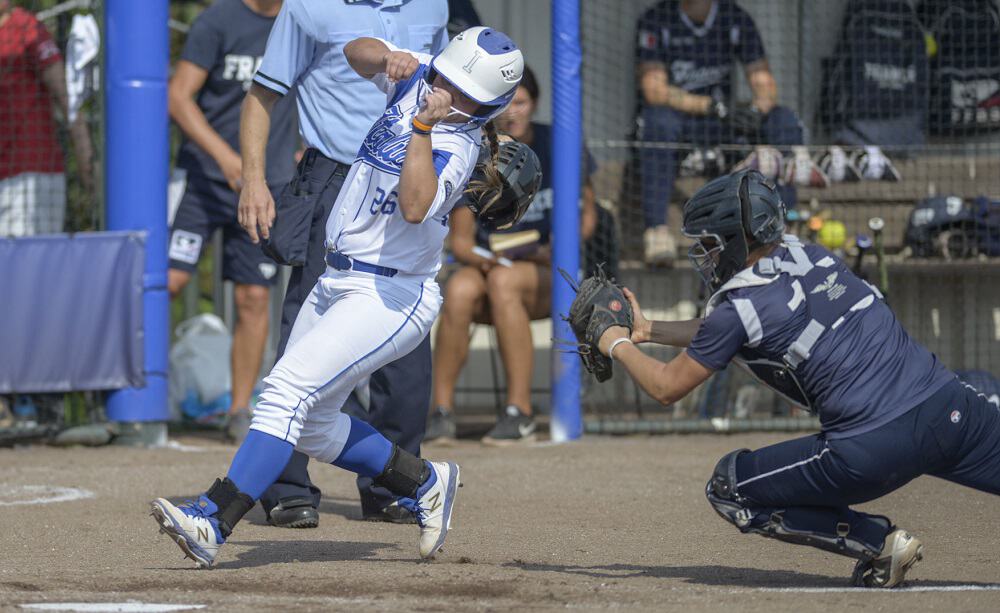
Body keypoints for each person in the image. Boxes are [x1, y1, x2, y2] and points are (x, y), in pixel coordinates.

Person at [150, 27, 525, 568]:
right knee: (314, 425)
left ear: (487, 106)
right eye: (446, 77)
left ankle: (213, 518)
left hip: (391, 294)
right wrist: (390, 58)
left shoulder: (457, 144)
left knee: (284, 390)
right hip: (337, 277)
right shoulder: (425, 74)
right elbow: (354, 53)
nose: (448, 91)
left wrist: (424, 123)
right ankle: (424, 483)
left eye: (465, 92)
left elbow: (416, 205)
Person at [594, 168, 1000, 588]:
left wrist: (615, 344)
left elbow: (665, 388)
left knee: (728, 487)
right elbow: (724, 333)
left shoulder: (740, 306)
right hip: (946, 406)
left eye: (711, 245)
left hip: (873, 447)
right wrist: (648, 331)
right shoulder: (806, 253)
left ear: (738, 240)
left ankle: (878, 543)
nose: (706, 256)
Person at [238, 0, 449, 529]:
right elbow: (262, 95)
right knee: (303, 336)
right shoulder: (309, 6)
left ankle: (395, 485)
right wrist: (254, 180)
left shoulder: (434, 5)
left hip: (411, 180)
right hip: (335, 178)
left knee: (404, 345)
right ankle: (286, 486)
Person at [426, 65, 597, 444]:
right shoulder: (477, 146)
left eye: (521, 102)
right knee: (459, 290)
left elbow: (588, 217)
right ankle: (440, 412)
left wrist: (557, 250)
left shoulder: (559, 143)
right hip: (494, 268)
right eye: (506, 103)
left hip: (552, 271)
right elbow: (461, 243)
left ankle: (519, 412)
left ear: (534, 104)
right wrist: (492, 260)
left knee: (503, 281)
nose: (512, 112)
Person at [167, 0, 297, 442]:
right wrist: (225, 158)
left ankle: (240, 410)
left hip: (267, 185)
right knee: (168, 281)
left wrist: (305, 151)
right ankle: (132, 398)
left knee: (253, 298)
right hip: (204, 180)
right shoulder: (217, 21)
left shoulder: (302, 21)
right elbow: (179, 97)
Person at [635, 0, 803, 265]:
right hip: (681, 128)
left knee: (782, 119)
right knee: (657, 120)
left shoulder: (734, 17)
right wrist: (713, 107)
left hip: (723, 129)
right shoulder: (657, 18)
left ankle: (787, 224)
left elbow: (765, 84)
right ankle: (657, 231)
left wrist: (755, 111)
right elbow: (654, 90)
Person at [0, 0, 93, 237]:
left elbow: (66, 96)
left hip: (31, 174)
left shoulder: (28, 29)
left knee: (25, 265)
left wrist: (85, 157)